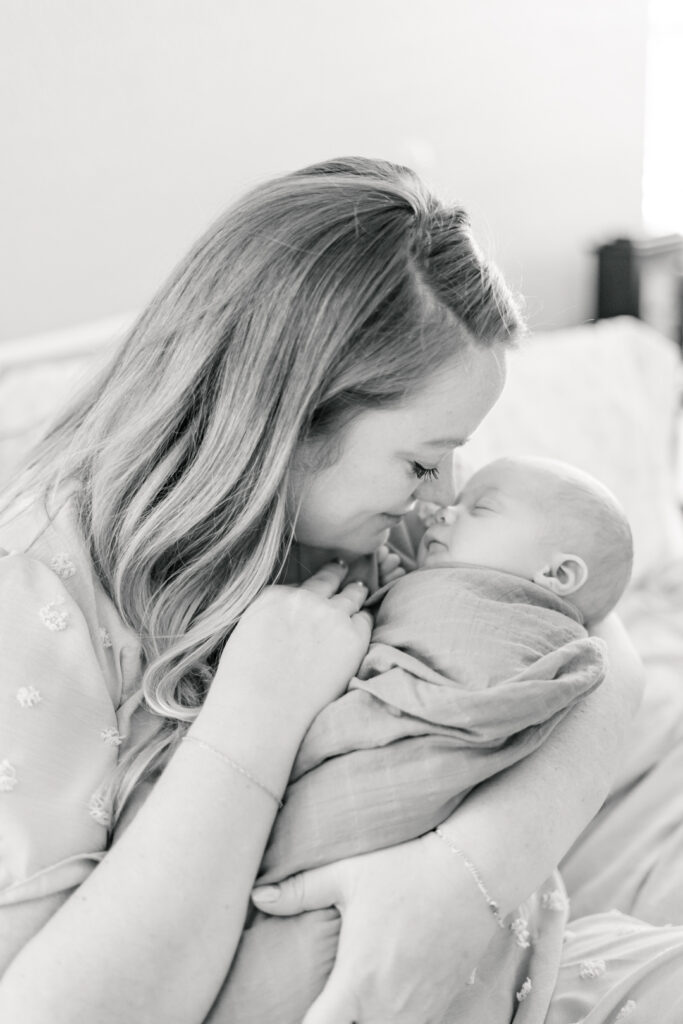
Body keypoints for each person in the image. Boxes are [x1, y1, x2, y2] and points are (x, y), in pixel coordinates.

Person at [0, 157, 682, 1024]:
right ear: (289, 413)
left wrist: (461, 882)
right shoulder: (38, 582)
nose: (440, 495)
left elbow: (595, 651)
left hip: (512, 971)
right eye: (420, 460)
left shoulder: (387, 504)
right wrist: (257, 713)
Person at [206, 454, 637, 1022]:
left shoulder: (518, 610)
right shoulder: (409, 537)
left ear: (557, 577)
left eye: (476, 508)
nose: (440, 508)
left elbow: (579, 674)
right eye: (424, 466)